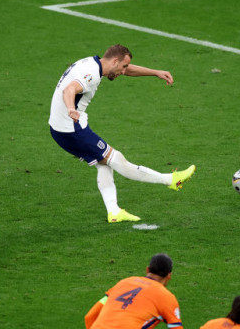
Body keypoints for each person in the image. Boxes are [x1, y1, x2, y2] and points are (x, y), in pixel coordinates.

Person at [49, 44, 196, 223]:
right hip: (71, 129)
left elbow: (127, 70)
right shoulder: (91, 74)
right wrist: (71, 109)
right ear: (115, 61)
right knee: (116, 159)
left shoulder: (95, 63)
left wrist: (155, 72)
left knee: (103, 163)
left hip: (62, 128)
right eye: (123, 66)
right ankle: (170, 180)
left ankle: (114, 211)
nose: (124, 71)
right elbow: (69, 89)